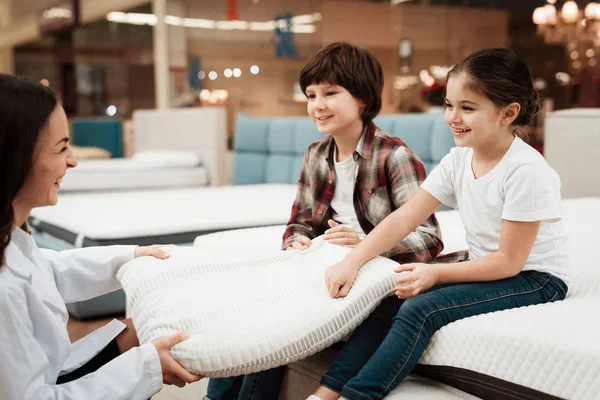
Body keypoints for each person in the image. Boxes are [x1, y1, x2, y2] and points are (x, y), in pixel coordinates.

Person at [206, 42, 465, 400]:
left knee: (278, 319)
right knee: (259, 312)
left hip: (373, 270)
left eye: (330, 93)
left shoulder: (394, 155)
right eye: (311, 95)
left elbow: (428, 238)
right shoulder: (316, 154)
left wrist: (364, 245)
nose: (317, 105)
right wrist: (297, 244)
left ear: (361, 98)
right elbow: (298, 223)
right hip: (325, 265)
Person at [309, 48, 570, 400]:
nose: (452, 117)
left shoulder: (527, 171)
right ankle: (326, 392)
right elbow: (404, 217)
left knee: (421, 308)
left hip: (536, 278)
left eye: (467, 107)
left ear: (508, 113)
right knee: (390, 297)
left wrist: (434, 273)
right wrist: (351, 261)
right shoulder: (459, 158)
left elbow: (510, 262)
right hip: (487, 264)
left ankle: (359, 395)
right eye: (449, 104)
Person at [0, 74, 201, 399]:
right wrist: (147, 368)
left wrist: (131, 257)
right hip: (48, 389)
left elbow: (49, 270)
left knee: (142, 326)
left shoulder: (13, 238)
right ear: (17, 156)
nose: (73, 161)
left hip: (53, 372)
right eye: (61, 148)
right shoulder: (3, 289)